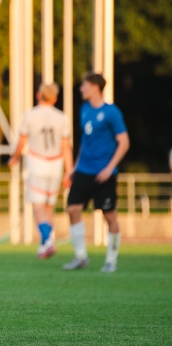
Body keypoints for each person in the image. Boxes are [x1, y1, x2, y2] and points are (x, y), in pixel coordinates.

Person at [63, 72, 129, 272]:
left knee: (109, 216)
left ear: (94, 87)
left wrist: (110, 168)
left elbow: (124, 142)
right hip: (83, 170)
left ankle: (111, 260)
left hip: (104, 173)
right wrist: (74, 168)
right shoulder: (84, 109)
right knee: (72, 209)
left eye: (84, 85)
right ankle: (81, 256)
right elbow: (85, 141)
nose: (81, 89)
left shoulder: (112, 112)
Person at [7, 83, 73, 259]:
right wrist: (69, 171)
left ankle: (47, 240)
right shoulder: (62, 117)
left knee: (37, 206)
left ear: (38, 95)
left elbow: (22, 141)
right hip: (56, 164)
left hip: (37, 162)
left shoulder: (30, 115)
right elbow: (66, 147)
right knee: (49, 206)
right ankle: (45, 245)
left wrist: (14, 158)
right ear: (55, 98)